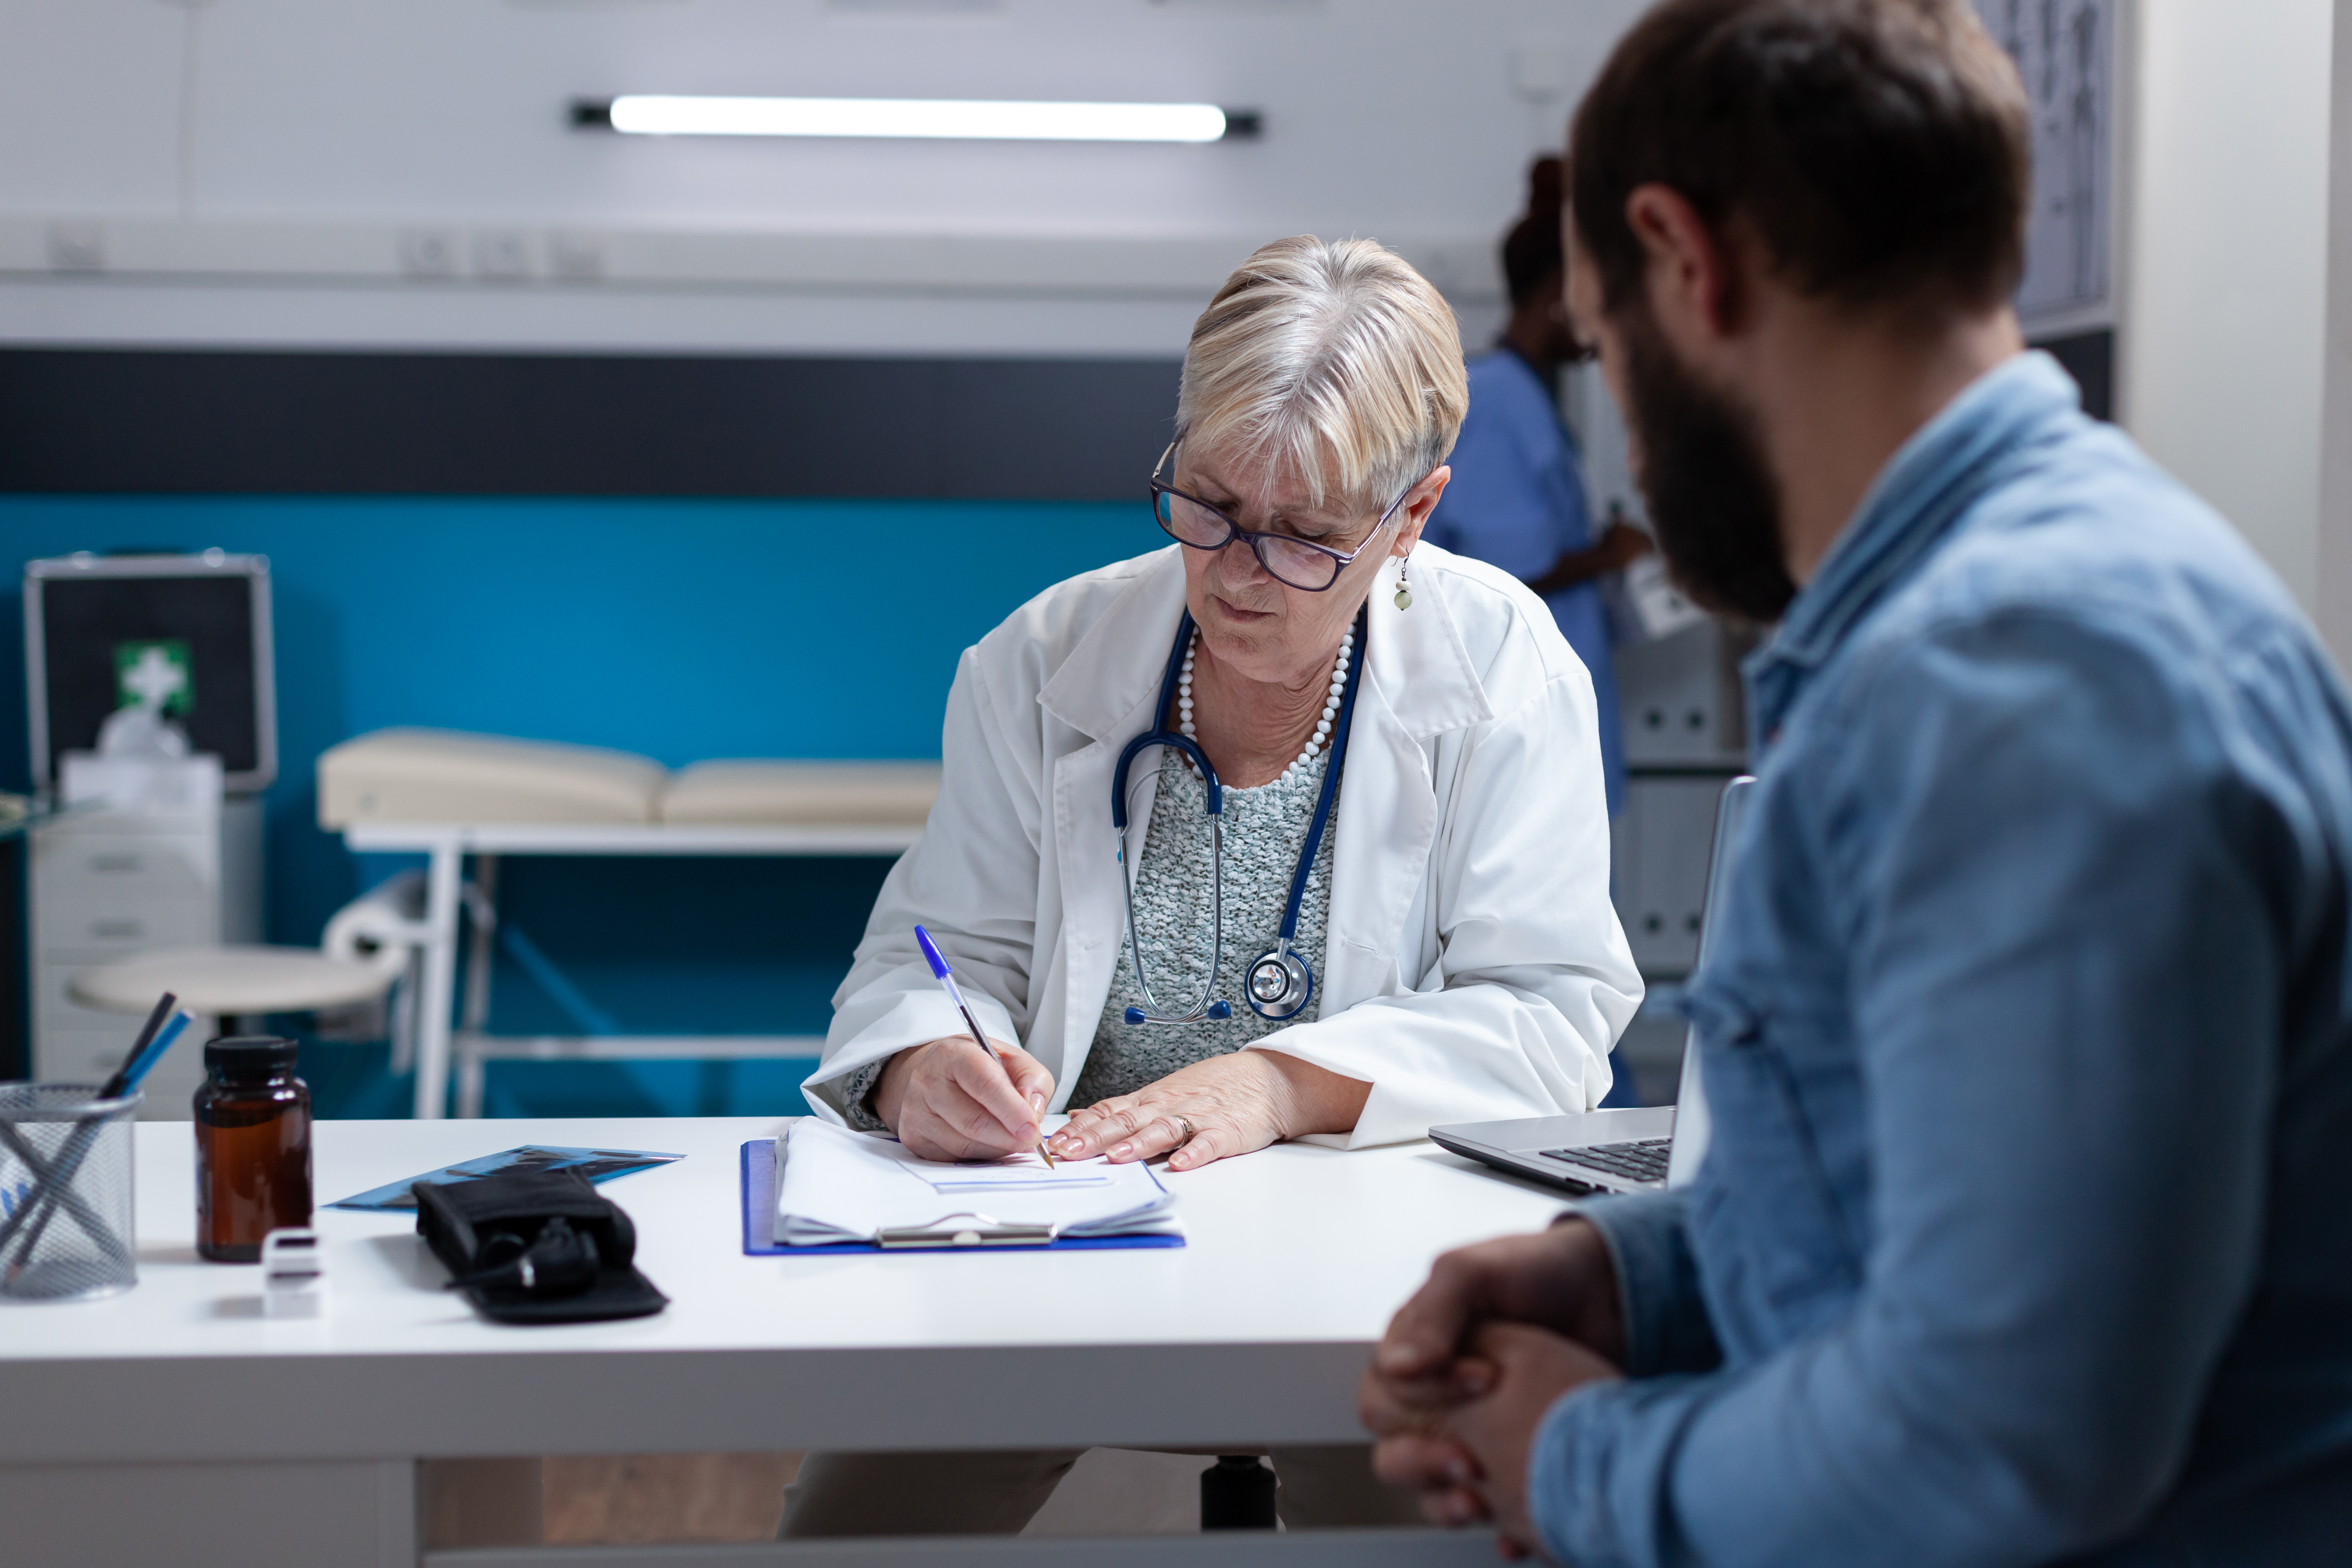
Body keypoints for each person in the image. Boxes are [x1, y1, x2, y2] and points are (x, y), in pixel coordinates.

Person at [1360, 2, 2352, 1564]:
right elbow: (1951, 1196)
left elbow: (1996, 1435)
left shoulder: (2017, 676)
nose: (1624, 400)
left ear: (1684, 258)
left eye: (1612, 349)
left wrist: (1578, 1457)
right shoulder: (2000, 623)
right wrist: (1639, 1279)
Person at [784, 236, 1642, 1535]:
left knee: (1442, 1534)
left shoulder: (1505, 670)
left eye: (1304, 537)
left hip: (1375, 1278)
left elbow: (1552, 1012)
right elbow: (929, 954)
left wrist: (1279, 1082)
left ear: (1411, 517)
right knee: (841, 1540)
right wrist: (925, 1067)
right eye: (1208, 505)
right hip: (1058, 1255)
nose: (1238, 572)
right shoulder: (1044, 657)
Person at [1428, 156, 1653, 815]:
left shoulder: (1530, 400)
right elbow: (1501, 572)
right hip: (1518, 721)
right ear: (1562, 288)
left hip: (1550, 717)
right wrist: (1609, 557)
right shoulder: (1497, 400)